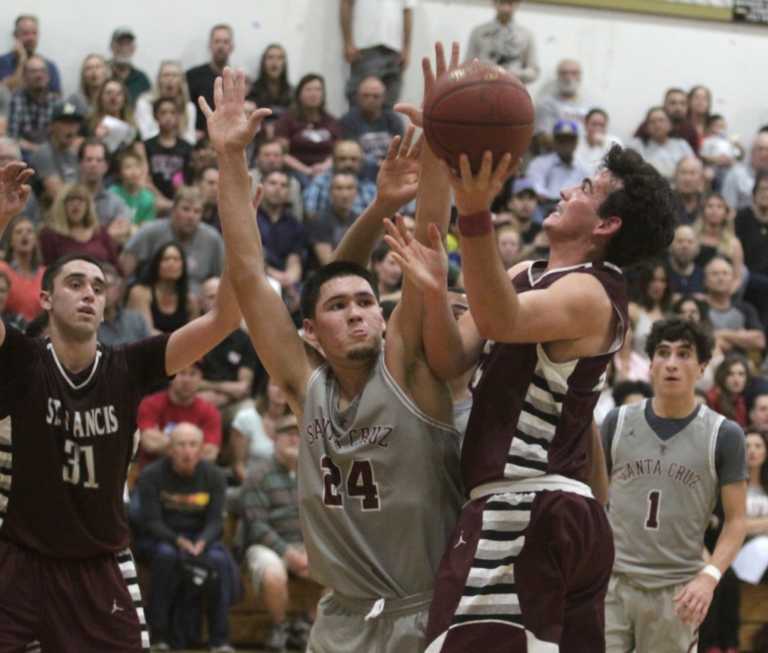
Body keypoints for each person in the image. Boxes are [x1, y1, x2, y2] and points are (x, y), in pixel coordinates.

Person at [199, 51, 464, 653]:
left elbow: (426, 240)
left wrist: (441, 139)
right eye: (339, 307)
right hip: (341, 619)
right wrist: (230, 156)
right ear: (311, 333)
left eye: (367, 301)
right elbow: (246, 269)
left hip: (425, 616)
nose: (359, 314)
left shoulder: (410, 370)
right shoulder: (303, 384)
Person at [384, 134, 677, 649]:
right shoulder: (524, 273)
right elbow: (451, 358)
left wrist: (476, 213)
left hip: (527, 505)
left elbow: (500, 316)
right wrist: (434, 297)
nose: (566, 191)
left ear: (607, 224)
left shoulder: (592, 292)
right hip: (540, 510)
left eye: (586, 188)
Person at [0, 157, 246, 652]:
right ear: (45, 300)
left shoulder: (129, 366)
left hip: (101, 563)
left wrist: (239, 214)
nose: (90, 293)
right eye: (75, 284)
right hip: (22, 559)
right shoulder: (23, 361)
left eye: (98, 287)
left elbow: (225, 318)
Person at [602, 318, 747, 653]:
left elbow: (736, 521)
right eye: (663, 353)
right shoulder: (617, 422)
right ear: (650, 364)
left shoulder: (725, 435)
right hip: (613, 583)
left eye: (684, 354)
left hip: (678, 590)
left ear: (702, 367)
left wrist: (709, 576)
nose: (671, 363)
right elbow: (594, 500)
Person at [136, 422, 233, 652]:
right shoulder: (151, 475)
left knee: (219, 561)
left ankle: (219, 640)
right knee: (167, 556)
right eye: (181, 445)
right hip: (162, 538)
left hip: (200, 539)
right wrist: (177, 541)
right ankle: (159, 636)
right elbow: (151, 521)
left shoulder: (215, 476)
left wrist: (201, 542)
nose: (187, 451)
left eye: (193, 445)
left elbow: (216, 521)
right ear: (170, 449)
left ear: (201, 450)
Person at [241, 413, 312, 653]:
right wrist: (289, 554)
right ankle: (279, 626)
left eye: (298, 435)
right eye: (288, 435)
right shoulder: (257, 473)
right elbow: (257, 525)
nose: (294, 440)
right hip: (268, 544)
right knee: (273, 574)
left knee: (342, 568)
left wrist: (313, 552)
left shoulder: (314, 473)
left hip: (307, 545)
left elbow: (326, 519)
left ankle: (307, 623)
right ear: (274, 439)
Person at [121, 186, 224, 292]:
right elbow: (124, 270)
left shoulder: (213, 239)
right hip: (153, 297)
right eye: (186, 209)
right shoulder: (150, 231)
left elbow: (223, 279)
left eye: (197, 211)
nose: (191, 216)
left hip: (198, 301)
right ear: (173, 210)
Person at [135, 363, 221, 473]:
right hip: (153, 477)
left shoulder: (210, 411)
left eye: (192, 374)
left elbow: (210, 453)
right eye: (181, 373)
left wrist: (167, 443)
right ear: (170, 377)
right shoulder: (149, 404)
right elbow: (149, 442)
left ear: (200, 378)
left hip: (195, 479)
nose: (186, 380)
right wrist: (194, 446)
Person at [195, 276, 259, 415]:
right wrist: (226, 387)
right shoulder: (191, 337)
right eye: (211, 297)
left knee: (248, 412)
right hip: (198, 402)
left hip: (232, 403)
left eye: (222, 296)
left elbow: (243, 388)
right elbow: (189, 383)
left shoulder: (244, 339)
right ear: (200, 302)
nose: (217, 302)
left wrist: (216, 391)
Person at [340, 0, 415, 107]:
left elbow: (407, 10)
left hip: (394, 50)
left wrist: (406, 49)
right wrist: (348, 42)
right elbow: (346, 3)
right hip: (365, 47)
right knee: (360, 104)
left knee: (390, 105)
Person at [274, 74, 341, 185]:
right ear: (299, 93)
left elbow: (340, 151)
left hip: (326, 170)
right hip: (296, 171)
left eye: (318, 90)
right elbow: (281, 153)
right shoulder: (287, 120)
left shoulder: (331, 121)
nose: (313, 94)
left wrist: (323, 167)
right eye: (308, 89)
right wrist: (306, 170)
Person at [38, 183, 120, 268]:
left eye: (81, 200)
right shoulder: (49, 235)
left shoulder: (100, 232)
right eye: (70, 200)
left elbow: (115, 266)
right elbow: (47, 271)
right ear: (62, 205)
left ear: (88, 206)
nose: (76, 204)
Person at [125, 241, 199, 334]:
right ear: (156, 264)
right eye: (166, 259)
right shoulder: (140, 292)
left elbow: (195, 334)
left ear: (183, 266)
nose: (171, 263)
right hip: (146, 347)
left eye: (176, 259)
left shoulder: (190, 300)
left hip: (181, 347)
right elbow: (146, 332)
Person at [339, 76, 404, 180]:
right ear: (358, 97)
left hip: (390, 172)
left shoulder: (393, 120)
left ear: (384, 98)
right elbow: (350, 153)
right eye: (366, 96)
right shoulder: (348, 121)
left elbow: (401, 151)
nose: (370, 100)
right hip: (361, 174)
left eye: (376, 96)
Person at [703, 256, 765, 357]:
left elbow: (760, 341)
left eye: (725, 273)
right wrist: (740, 337)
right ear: (705, 281)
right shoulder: (698, 308)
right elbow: (700, 339)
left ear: (732, 280)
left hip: (741, 368)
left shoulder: (746, 309)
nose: (721, 278)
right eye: (715, 274)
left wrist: (722, 334)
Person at [465, 0, 539, 84]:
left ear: (517, 3)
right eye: (502, 1)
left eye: (510, 2)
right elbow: (468, 65)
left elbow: (534, 71)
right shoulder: (478, 32)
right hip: (483, 86)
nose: (506, 6)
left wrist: (513, 74)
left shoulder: (526, 35)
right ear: (493, 2)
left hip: (513, 88)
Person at [143, 97, 194, 214]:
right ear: (156, 116)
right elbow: (145, 178)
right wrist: (160, 199)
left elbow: (189, 180)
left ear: (178, 117)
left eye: (172, 112)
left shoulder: (187, 148)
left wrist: (177, 201)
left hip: (180, 201)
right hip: (153, 200)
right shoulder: (147, 146)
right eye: (163, 112)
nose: (168, 117)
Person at [303, 139, 376, 219]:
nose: (348, 164)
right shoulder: (320, 182)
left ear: (361, 161)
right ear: (334, 161)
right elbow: (309, 213)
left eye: (354, 159)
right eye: (342, 159)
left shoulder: (369, 186)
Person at [526, 119, 589, 209]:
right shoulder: (539, 162)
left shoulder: (584, 167)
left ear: (576, 142)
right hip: (545, 207)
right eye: (561, 140)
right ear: (554, 142)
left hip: (573, 210)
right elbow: (536, 189)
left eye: (569, 140)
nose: (566, 144)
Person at [29, 100, 83, 202]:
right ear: (52, 125)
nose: (71, 128)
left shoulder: (74, 154)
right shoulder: (44, 153)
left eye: (74, 123)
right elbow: (57, 194)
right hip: (46, 214)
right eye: (65, 122)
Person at [187, 24, 234, 137]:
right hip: (198, 137)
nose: (221, 46)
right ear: (210, 45)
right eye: (217, 41)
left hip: (228, 135)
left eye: (225, 42)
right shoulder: (192, 76)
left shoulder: (237, 78)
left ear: (232, 47)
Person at [135, 60, 197, 145]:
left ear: (181, 81)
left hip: (181, 152)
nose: (170, 79)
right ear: (159, 80)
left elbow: (190, 138)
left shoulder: (189, 107)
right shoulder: (145, 103)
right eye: (166, 75)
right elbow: (147, 134)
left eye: (175, 75)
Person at [7, 55, 57, 155]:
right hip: (23, 155)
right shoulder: (16, 100)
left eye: (42, 71)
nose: (39, 75)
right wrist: (37, 149)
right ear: (24, 77)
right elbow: (12, 137)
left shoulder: (56, 102)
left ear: (48, 76)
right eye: (33, 71)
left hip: (51, 155)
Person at [735, 172, 768, 326]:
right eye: (762, 189)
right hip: (746, 277)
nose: (766, 194)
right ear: (754, 194)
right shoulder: (742, 217)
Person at [630, 107, 695, 181]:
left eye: (661, 120)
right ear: (647, 127)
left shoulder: (681, 144)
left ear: (670, 125)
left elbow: (693, 167)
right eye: (652, 122)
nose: (657, 125)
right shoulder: (637, 145)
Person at [0, 15, 61, 94]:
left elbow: (57, 98)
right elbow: (4, 94)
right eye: (25, 33)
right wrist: (22, 61)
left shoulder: (48, 65)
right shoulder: (3, 62)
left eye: (34, 33)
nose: (31, 38)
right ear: (15, 35)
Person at [0, 215, 44, 322]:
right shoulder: (1, 269)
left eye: (29, 232)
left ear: (35, 240)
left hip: (37, 333)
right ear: (11, 240)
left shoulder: (45, 273)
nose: (25, 235)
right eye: (19, 232)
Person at [248, 139, 303, 221]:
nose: (272, 160)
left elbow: (296, 216)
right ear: (257, 157)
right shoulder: (247, 179)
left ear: (283, 159)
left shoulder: (293, 183)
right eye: (267, 155)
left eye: (276, 155)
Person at [97, 262, 150, 347]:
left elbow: (149, 352)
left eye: (109, 286)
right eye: (99, 287)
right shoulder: (89, 326)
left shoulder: (137, 320)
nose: (105, 292)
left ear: (118, 288)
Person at [247, 44, 293, 140]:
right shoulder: (252, 90)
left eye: (279, 58)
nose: (274, 62)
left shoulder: (292, 92)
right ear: (263, 62)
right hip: (259, 139)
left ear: (284, 63)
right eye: (270, 57)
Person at [534, 58, 590, 136]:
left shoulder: (589, 106)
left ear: (580, 77)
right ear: (558, 76)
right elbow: (542, 135)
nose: (568, 77)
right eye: (564, 73)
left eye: (574, 73)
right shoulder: (546, 105)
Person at [87, 79, 139, 156]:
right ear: (100, 98)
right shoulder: (88, 124)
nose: (113, 97)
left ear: (124, 99)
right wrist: (97, 139)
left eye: (118, 94)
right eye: (108, 93)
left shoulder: (132, 127)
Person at [109, 150, 157, 227]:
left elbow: (146, 229)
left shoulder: (148, 198)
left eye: (137, 166)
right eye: (128, 167)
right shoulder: (111, 194)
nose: (134, 172)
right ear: (119, 173)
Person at [722, 132, 768, 211]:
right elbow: (728, 208)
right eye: (760, 149)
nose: (765, 154)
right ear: (752, 152)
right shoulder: (736, 175)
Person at [108, 27, 151, 106]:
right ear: (112, 47)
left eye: (128, 44)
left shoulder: (142, 79)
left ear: (133, 48)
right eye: (120, 44)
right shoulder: (103, 74)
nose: (124, 48)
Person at [706, 354, 752, 428]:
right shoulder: (712, 398)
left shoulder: (740, 399)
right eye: (730, 374)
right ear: (722, 375)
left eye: (741, 374)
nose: (736, 380)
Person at [574, 107, 622, 176]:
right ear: (585, 124)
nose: (598, 128)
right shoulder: (576, 142)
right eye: (594, 124)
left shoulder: (614, 142)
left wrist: (603, 144)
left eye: (602, 125)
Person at [666, 224, 705, 299]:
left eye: (690, 242)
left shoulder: (703, 276)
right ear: (670, 246)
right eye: (680, 241)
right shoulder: (661, 273)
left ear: (697, 247)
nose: (685, 246)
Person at [66, 53, 109, 119]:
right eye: (89, 68)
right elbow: (65, 119)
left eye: (98, 67)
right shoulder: (73, 100)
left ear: (105, 71)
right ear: (83, 74)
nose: (94, 72)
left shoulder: (114, 97)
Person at [671, 156, 706, 225]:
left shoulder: (707, 203)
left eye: (692, 173)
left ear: (701, 178)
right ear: (675, 176)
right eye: (683, 173)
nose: (687, 179)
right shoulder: (665, 202)